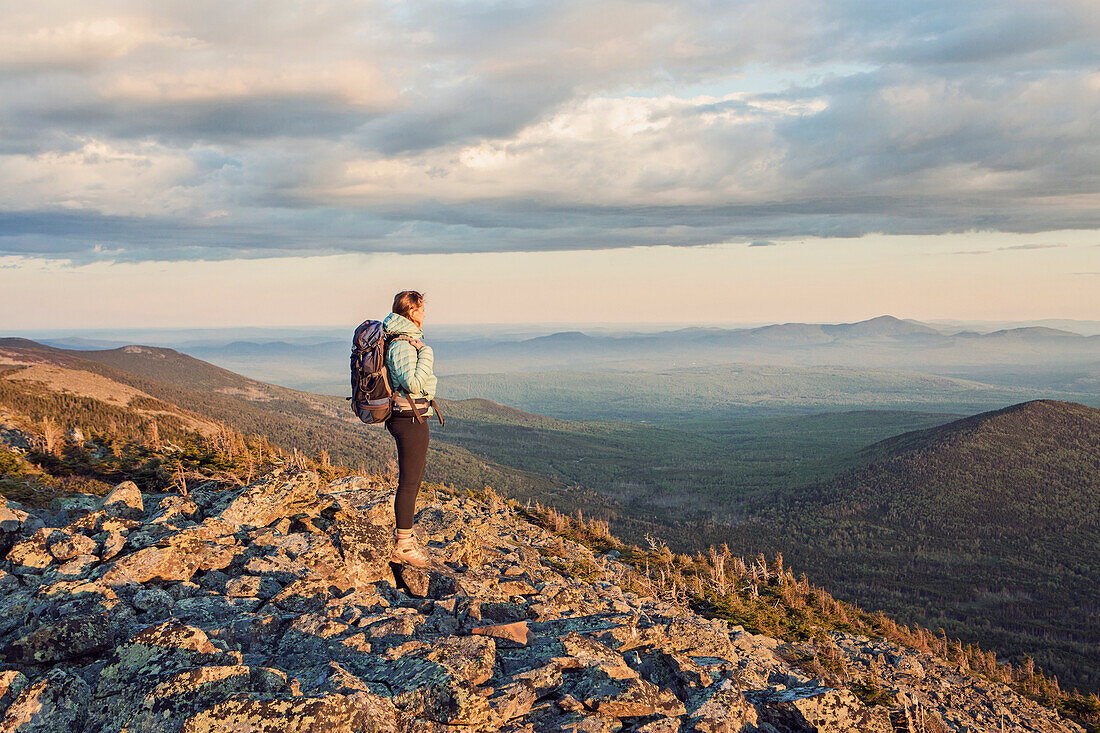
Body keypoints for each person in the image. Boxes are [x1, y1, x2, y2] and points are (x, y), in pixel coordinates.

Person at [383, 290, 438, 568]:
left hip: (409, 415)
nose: (425, 314)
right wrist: (427, 354)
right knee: (409, 482)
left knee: (411, 481)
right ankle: (403, 545)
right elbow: (414, 384)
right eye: (422, 309)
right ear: (411, 312)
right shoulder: (404, 344)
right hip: (409, 418)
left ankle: (405, 538)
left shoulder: (402, 340)